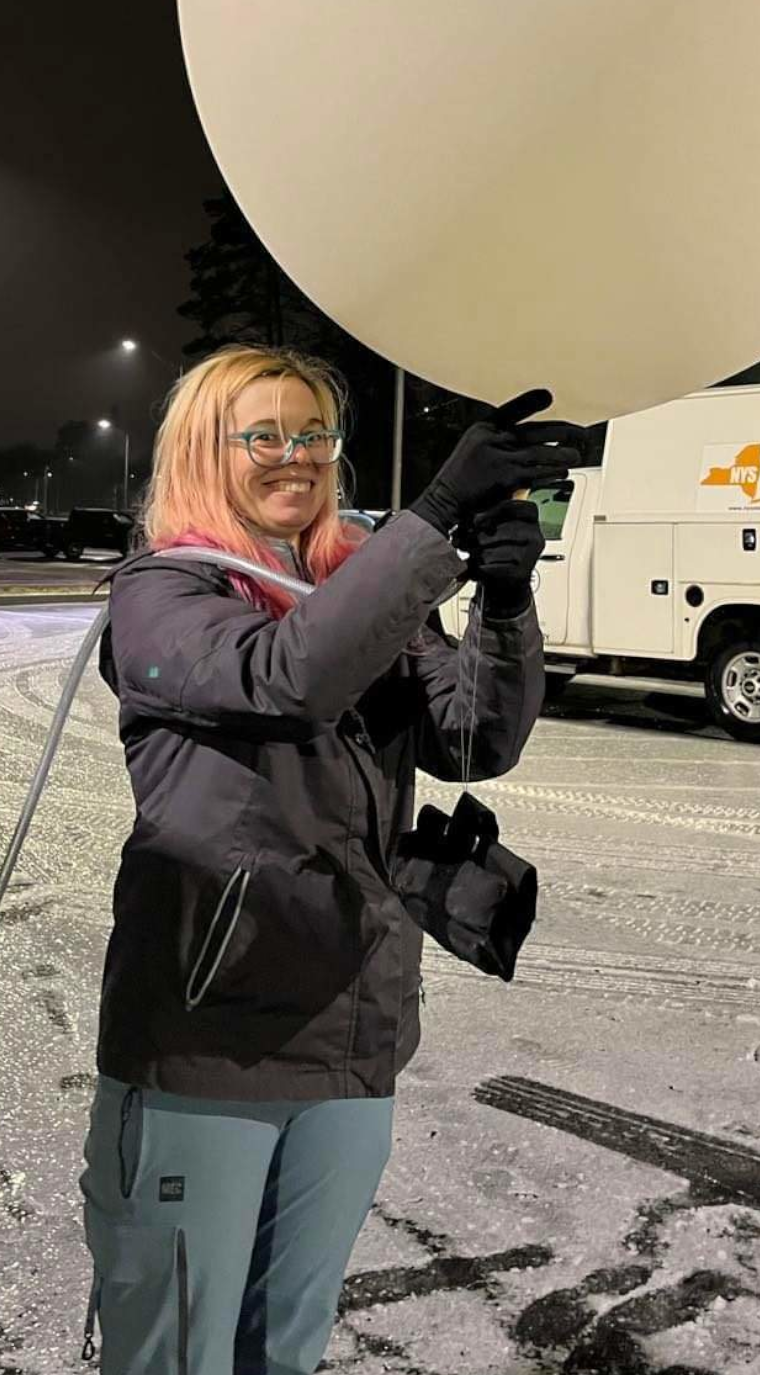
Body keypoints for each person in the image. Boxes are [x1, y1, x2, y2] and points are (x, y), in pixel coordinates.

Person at [77, 343, 584, 1373]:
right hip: (206, 1048)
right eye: (261, 434)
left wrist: (504, 600)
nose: (293, 455)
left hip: (352, 1039)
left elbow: (472, 740)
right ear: (202, 452)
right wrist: (434, 517)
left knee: (288, 1346)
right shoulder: (161, 596)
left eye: (313, 434)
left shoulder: (364, 590)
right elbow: (284, 678)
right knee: (178, 1353)